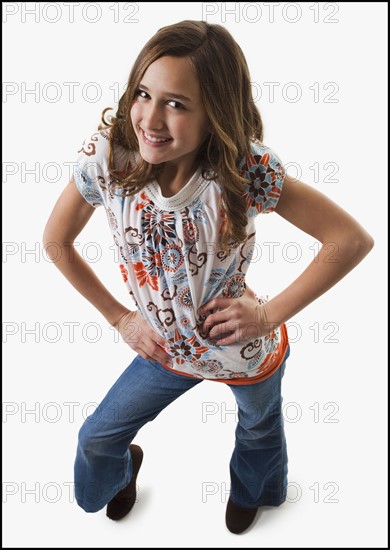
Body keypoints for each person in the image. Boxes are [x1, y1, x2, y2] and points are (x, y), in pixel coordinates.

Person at [43, 20, 374, 534]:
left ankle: (254, 491)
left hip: (239, 350)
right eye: (144, 94)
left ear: (215, 111)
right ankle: (122, 470)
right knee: (96, 438)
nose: (151, 118)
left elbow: (349, 240)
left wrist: (266, 316)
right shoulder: (108, 157)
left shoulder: (245, 170)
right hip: (164, 349)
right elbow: (56, 243)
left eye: (176, 103)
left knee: (259, 428)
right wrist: (121, 318)